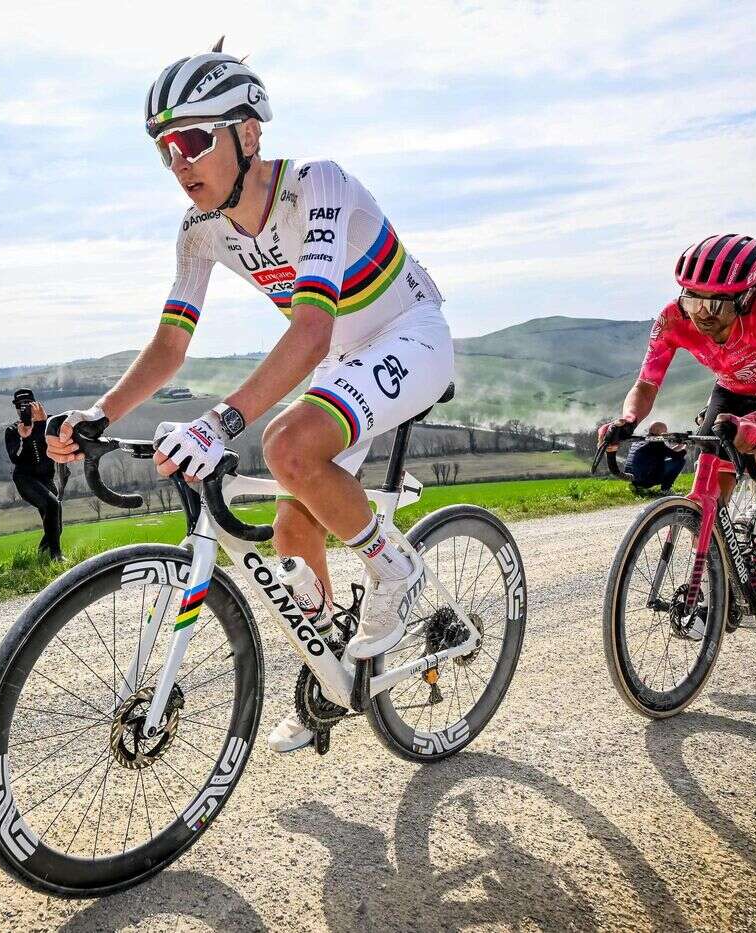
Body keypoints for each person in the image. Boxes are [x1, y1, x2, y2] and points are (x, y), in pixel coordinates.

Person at [45, 40, 453, 753]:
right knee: (295, 531)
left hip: (408, 333)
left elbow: (311, 330)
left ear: (249, 131)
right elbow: (171, 345)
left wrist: (219, 421)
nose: (179, 164)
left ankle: (396, 564)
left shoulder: (316, 185)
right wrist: (99, 413)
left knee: (286, 444)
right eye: (165, 149)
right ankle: (330, 676)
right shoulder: (201, 231)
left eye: (194, 141)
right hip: (346, 357)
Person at [601, 234, 756, 590]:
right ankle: (708, 589)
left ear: (746, 297)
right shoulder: (672, 317)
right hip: (733, 389)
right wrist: (627, 420)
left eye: (718, 305)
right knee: (709, 481)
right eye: (694, 301)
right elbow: (647, 383)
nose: (704, 314)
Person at [5, 388, 68, 559]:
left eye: (28, 404)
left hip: (46, 477)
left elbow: (63, 442)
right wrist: (25, 436)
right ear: (16, 409)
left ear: (36, 404)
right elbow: (16, 457)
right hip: (25, 478)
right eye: (20, 406)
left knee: (56, 526)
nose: (24, 409)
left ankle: (42, 556)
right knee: (53, 505)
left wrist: (41, 424)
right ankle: (56, 556)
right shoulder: (12, 430)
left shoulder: (50, 422)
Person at [623, 421, 686, 493]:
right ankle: (665, 490)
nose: (667, 433)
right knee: (680, 461)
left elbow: (664, 452)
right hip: (646, 479)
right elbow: (677, 456)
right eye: (665, 431)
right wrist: (685, 448)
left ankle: (637, 486)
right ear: (658, 431)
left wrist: (678, 447)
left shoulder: (641, 439)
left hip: (633, 478)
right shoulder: (656, 442)